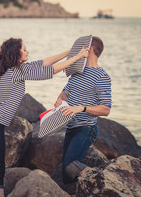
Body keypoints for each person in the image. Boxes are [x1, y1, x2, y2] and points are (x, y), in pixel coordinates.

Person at [0, 37, 89, 197]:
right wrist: (78, 58)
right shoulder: (17, 72)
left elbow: (44, 63)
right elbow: (53, 70)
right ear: (16, 53)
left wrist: (69, 52)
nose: (27, 51)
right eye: (24, 49)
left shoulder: (18, 69)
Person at [54, 36, 112, 184]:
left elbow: (105, 109)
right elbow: (65, 92)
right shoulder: (76, 72)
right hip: (71, 127)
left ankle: (102, 181)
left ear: (90, 49)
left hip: (86, 128)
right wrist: (60, 99)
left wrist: (82, 108)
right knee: (67, 174)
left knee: (69, 165)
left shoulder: (102, 76)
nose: (79, 50)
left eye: (82, 47)